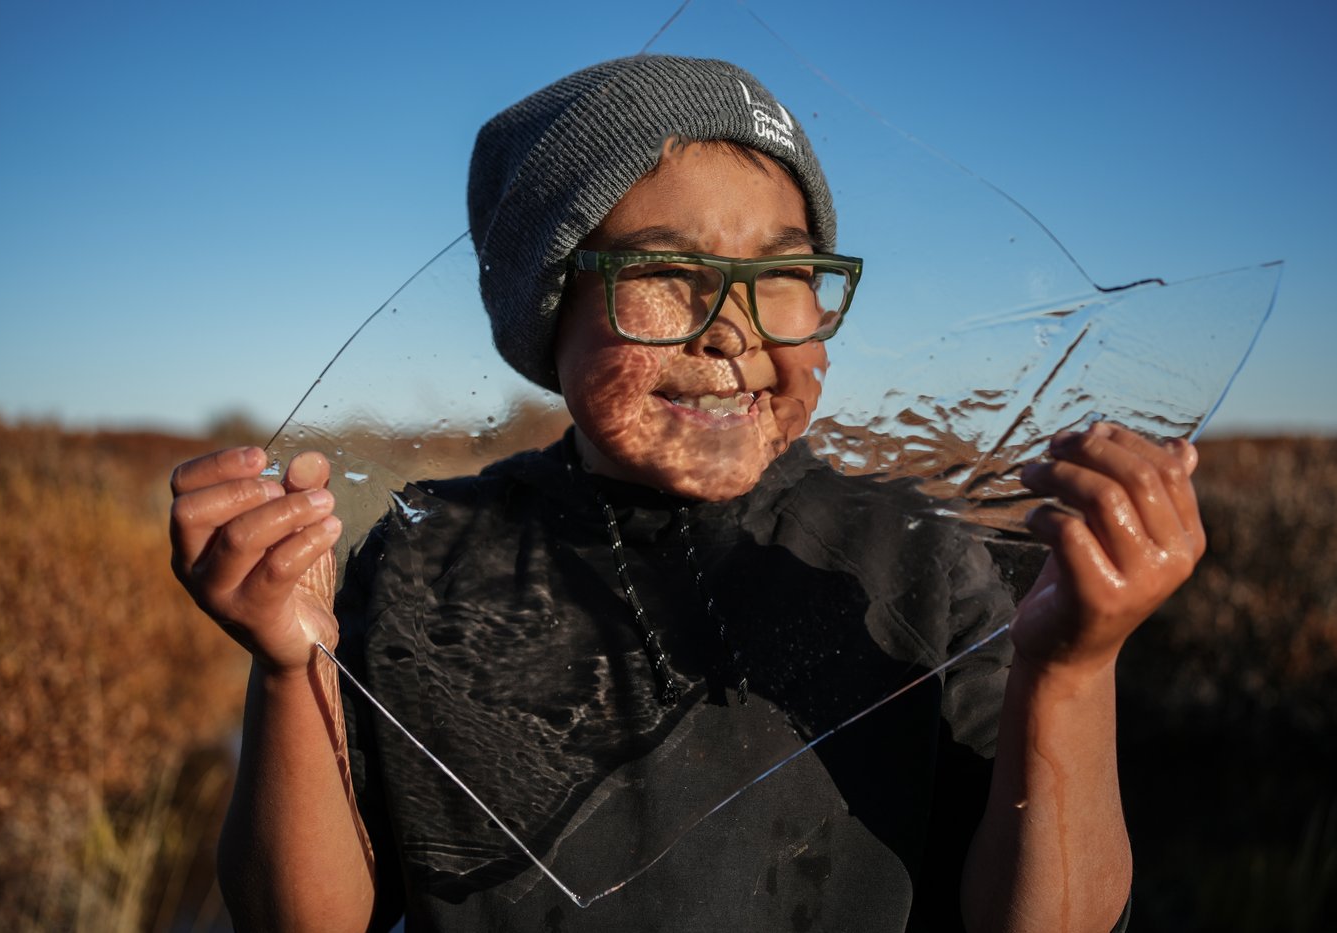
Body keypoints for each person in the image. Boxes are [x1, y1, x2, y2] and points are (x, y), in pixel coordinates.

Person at [170, 56, 1205, 932]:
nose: (730, 326)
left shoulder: (913, 555)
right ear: (548, 314)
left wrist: (1072, 667)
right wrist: (285, 664)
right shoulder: (427, 556)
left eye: (783, 271)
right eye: (664, 271)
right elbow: (303, 916)